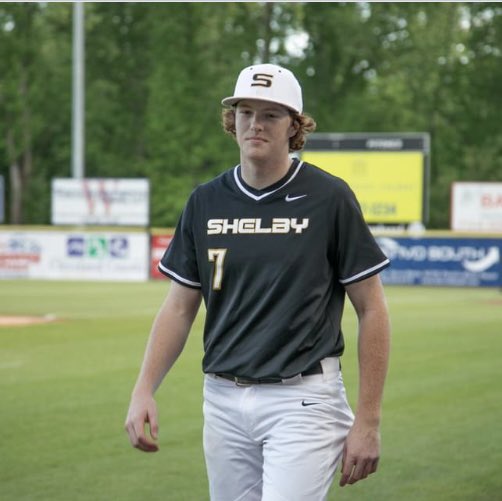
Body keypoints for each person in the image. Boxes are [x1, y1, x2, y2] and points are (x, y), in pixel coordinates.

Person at [125, 63, 391, 500]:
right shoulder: (204, 201)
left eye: (271, 114)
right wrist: (143, 390)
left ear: (295, 127)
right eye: (245, 111)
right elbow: (178, 308)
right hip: (223, 400)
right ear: (232, 121)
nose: (255, 124)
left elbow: (372, 308)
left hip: (304, 399)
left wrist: (369, 419)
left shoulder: (329, 197)